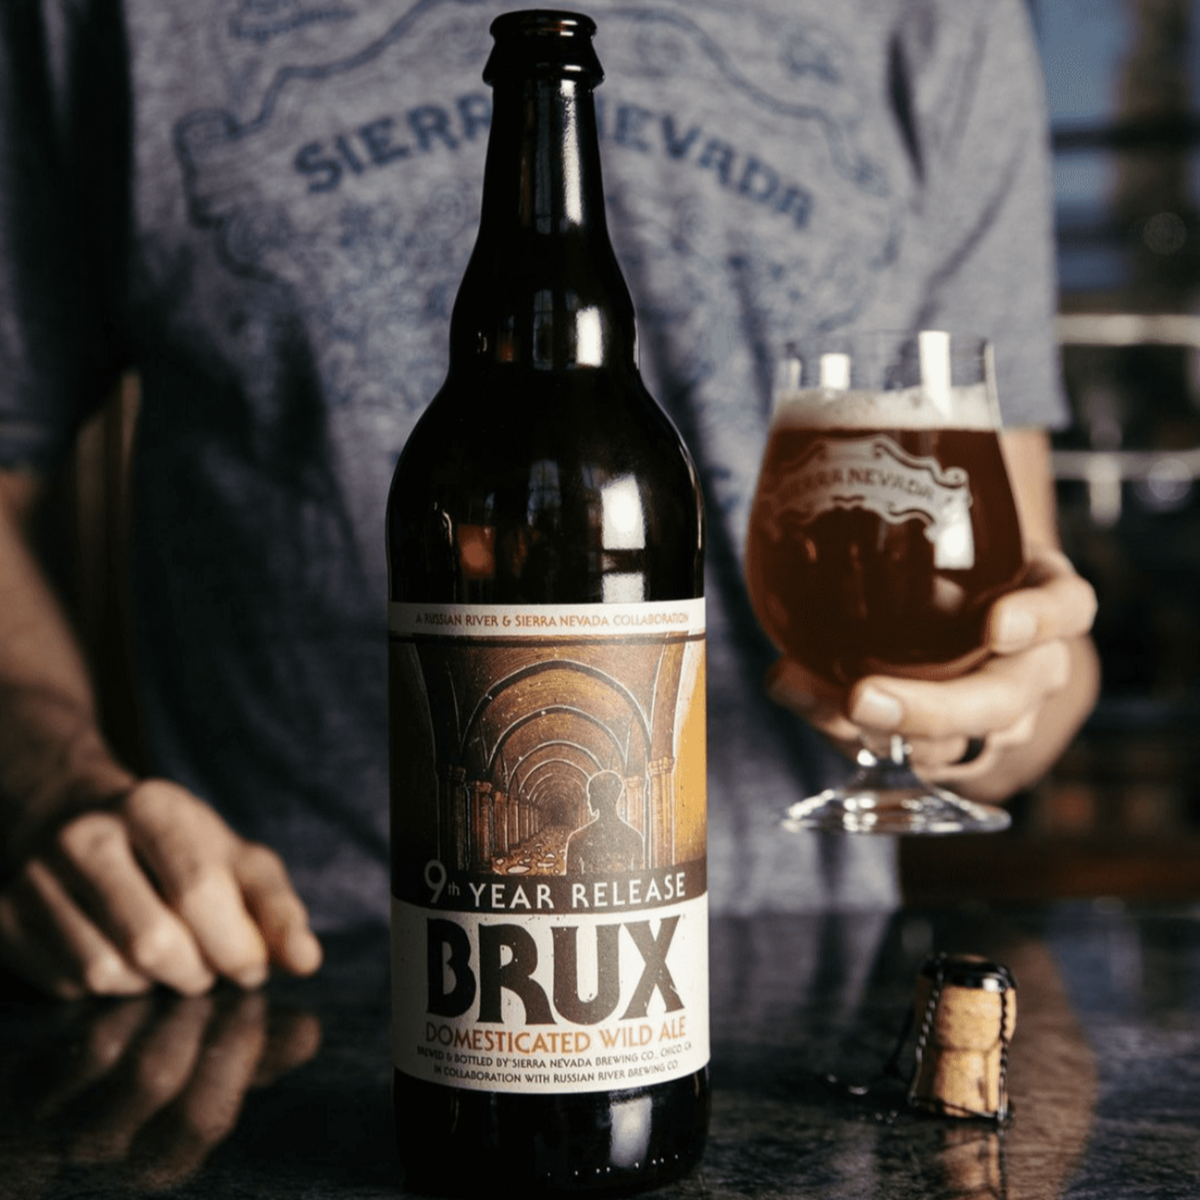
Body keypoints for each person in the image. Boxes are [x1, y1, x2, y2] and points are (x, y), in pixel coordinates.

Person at [0, 0, 1098, 998]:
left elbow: (1034, 621)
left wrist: (968, 714)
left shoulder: (941, 15)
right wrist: (52, 783)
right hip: (281, 966)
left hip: (799, 981)